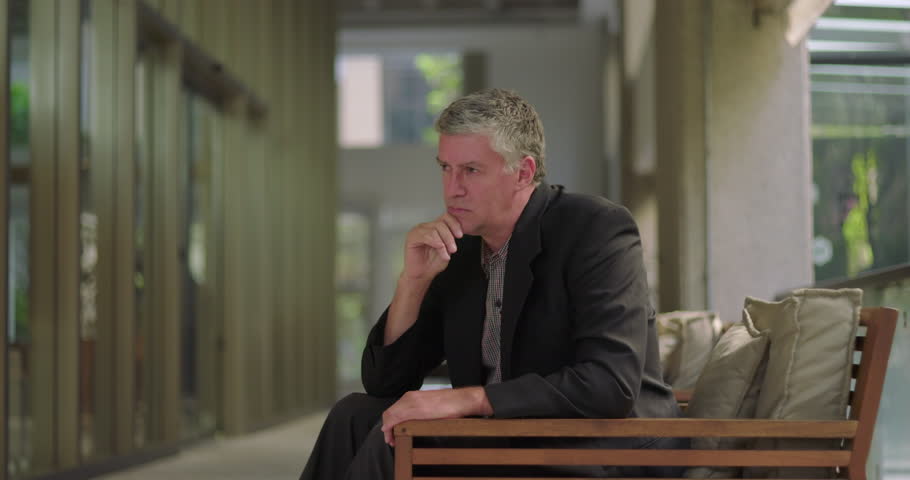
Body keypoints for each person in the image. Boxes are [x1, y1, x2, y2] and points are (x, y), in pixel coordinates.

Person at [300, 88, 685, 480]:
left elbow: (609, 383)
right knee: (353, 415)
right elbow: (386, 381)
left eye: (471, 170)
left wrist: (466, 400)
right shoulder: (460, 249)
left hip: (603, 443)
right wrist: (413, 282)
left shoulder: (596, 228)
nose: (452, 188)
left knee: (398, 445)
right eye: (445, 168)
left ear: (523, 172)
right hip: (507, 432)